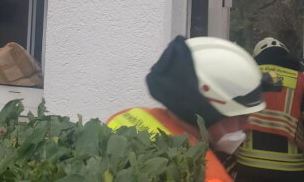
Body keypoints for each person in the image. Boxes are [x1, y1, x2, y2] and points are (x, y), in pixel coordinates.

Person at [108, 36, 277, 182]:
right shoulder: (208, 175)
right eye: (243, 116)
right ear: (210, 111)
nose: (246, 125)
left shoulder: (125, 119)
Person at [233, 37, 304, 182]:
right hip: (290, 172)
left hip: (248, 169)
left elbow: (224, 122)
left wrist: (225, 162)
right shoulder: (300, 83)